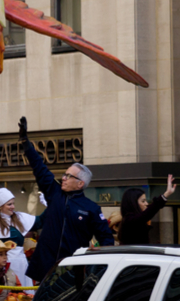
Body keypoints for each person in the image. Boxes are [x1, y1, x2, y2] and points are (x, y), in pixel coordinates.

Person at [18, 117, 114, 282]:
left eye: (68, 176)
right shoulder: (54, 193)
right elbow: (39, 167)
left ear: (80, 183)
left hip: (72, 274)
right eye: (64, 174)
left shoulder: (91, 209)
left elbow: (107, 239)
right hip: (44, 270)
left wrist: (97, 267)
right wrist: (25, 142)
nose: (63, 178)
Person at [117, 175, 178, 245]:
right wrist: (166, 194)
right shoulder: (129, 220)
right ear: (133, 203)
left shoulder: (134, 219)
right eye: (143, 201)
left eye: (146, 200)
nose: (146, 203)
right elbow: (147, 214)